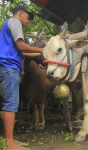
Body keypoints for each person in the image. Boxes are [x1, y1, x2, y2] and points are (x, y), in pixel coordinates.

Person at [0, 5, 45, 150]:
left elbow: (23, 53)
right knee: (11, 104)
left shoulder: (9, 25)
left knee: (11, 103)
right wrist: (41, 49)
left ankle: (11, 138)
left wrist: (40, 55)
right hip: (9, 68)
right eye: (27, 17)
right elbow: (21, 46)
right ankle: (9, 143)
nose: (28, 21)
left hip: (10, 67)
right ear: (20, 13)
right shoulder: (15, 22)